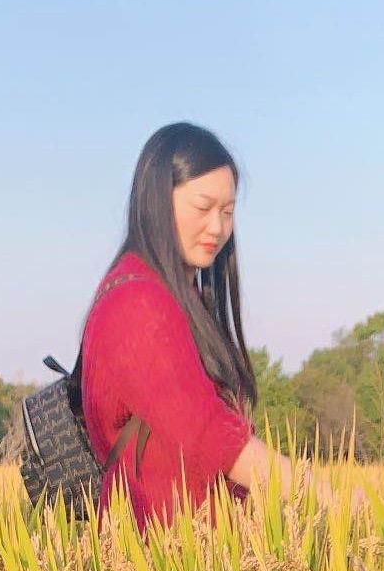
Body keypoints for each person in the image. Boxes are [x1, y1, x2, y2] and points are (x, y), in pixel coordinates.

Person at [78, 122, 366, 535]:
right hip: (164, 565)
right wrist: (324, 496)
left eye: (228, 212)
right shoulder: (137, 305)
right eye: (203, 207)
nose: (218, 228)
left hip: (195, 556)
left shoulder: (174, 295)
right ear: (157, 201)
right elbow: (210, 436)